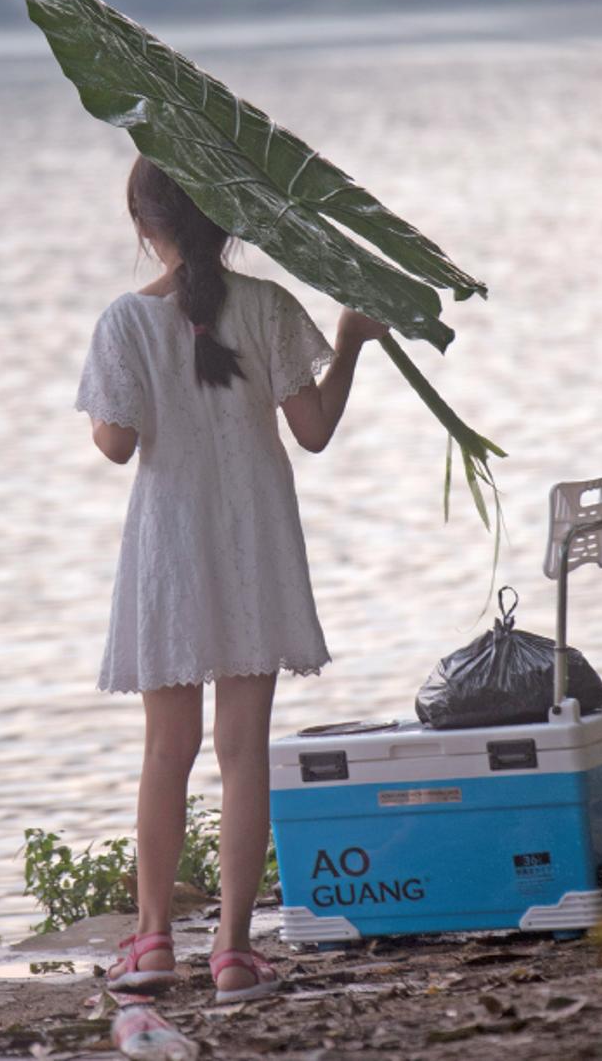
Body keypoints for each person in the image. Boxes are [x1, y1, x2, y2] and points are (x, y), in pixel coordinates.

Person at [75, 156, 387, 1003]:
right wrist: (351, 345)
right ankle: (236, 952)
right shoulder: (272, 308)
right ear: (230, 217)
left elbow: (115, 443)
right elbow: (313, 430)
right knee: (244, 751)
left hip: (171, 547)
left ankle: (150, 945)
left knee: (166, 750)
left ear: (146, 227)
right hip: (256, 541)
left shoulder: (123, 322)